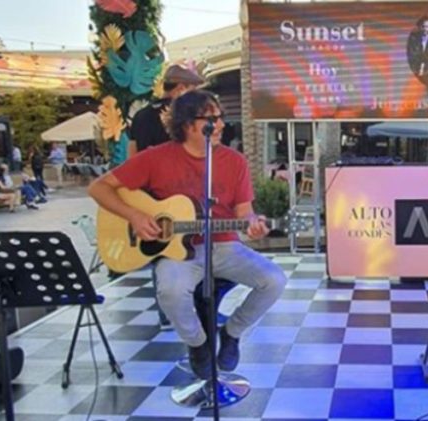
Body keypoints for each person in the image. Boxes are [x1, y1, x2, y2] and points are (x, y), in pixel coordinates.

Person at [88, 90, 287, 378]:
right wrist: (135, 216)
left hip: (225, 246)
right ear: (187, 124)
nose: (220, 124)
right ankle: (197, 343)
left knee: (274, 280)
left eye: (220, 117)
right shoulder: (155, 158)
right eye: (211, 119)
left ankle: (232, 332)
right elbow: (98, 188)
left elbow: (245, 212)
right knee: (169, 291)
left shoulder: (234, 161)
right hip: (178, 253)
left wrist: (253, 225)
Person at [127, 64, 204, 329]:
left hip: (149, 196)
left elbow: (132, 156)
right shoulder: (182, 118)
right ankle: (194, 311)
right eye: (193, 90)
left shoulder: (140, 116)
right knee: (191, 248)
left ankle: (167, 314)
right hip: (180, 194)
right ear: (180, 88)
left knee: (160, 251)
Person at [128, 64, 205, 157]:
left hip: (145, 165)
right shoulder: (183, 114)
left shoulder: (140, 115)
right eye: (192, 92)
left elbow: (132, 154)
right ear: (180, 88)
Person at [407, 15, 428, 81]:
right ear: (419, 27)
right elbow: (412, 56)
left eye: (427, 27)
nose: (424, 29)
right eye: (423, 26)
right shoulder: (413, 39)